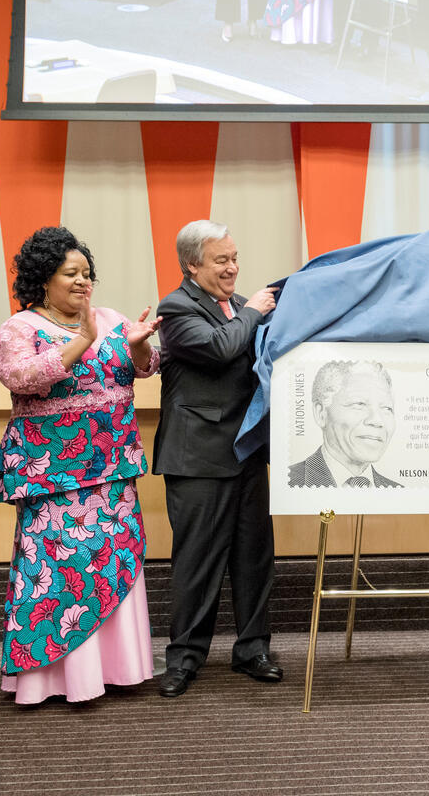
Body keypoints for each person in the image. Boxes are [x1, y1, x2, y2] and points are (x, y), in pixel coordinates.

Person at [0, 226, 161, 704]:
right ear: (44, 279)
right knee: (60, 570)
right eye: (71, 273)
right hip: (52, 474)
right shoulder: (20, 328)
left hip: (113, 468)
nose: (84, 281)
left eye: (87, 273)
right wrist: (82, 339)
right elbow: (19, 377)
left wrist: (139, 344)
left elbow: (144, 367)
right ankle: (55, 680)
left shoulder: (111, 318)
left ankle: (119, 670)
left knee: (113, 563)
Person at [153, 220, 281, 697]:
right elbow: (221, 347)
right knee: (197, 564)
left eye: (235, 258)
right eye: (221, 260)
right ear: (192, 265)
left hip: (247, 454)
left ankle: (253, 650)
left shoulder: (242, 305)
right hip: (197, 458)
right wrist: (252, 312)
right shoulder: (177, 307)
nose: (233, 268)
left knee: (254, 560)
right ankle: (184, 659)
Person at [288, 359, 403, 488]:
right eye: (359, 404)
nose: (377, 421)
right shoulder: (288, 483)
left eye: (387, 408)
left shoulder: (400, 492)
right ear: (321, 413)